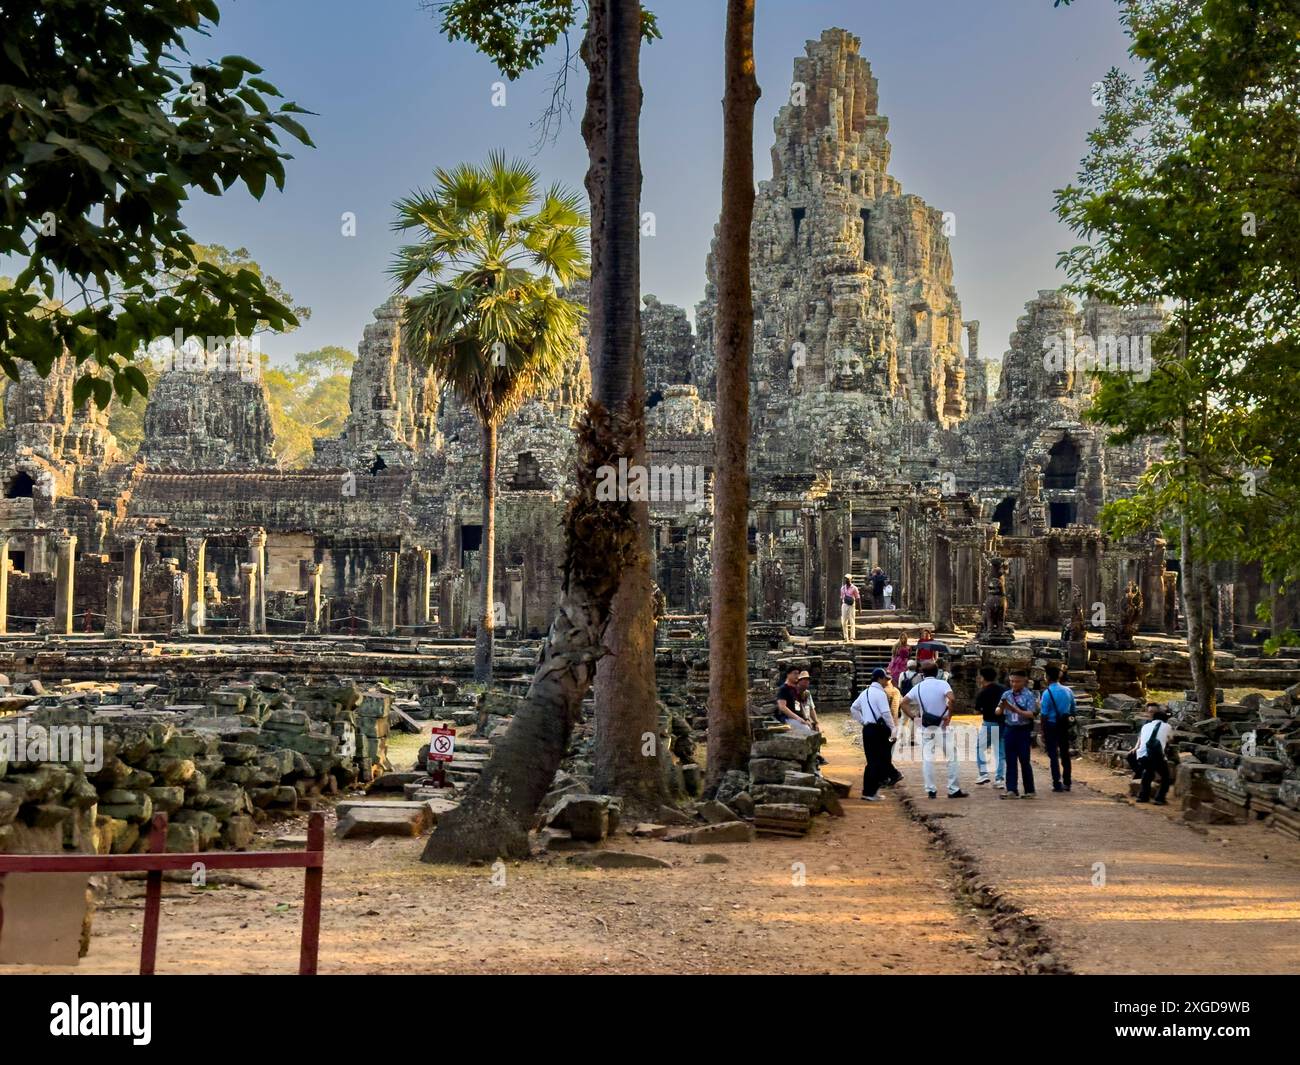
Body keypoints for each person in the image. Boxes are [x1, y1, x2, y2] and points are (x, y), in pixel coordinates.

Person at [904, 661, 968, 799]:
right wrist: (948, 716)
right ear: (937, 672)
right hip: (942, 727)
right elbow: (952, 699)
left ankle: (931, 790)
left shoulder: (918, 687)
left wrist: (914, 717)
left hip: (926, 727)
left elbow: (904, 703)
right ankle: (953, 788)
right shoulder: (942, 684)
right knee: (952, 757)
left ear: (922, 674)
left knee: (927, 759)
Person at [851, 668, 896, 802]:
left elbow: (853, 708)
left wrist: (864, 721)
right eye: (885, 678)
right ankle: (873, 789)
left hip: (868, 729)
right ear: (880, 679)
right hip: (879, 730)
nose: (887, 681)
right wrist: (893, 728)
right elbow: (886, 713)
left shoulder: (865, 693)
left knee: (872, 760)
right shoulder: (880, 694)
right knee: (879, 759)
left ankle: (870, 790)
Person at [997, 670, 1038, 798]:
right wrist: (1002, 707)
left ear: (1024, 681)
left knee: (1024, 760)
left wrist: (1016, 710)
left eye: (1017, 681)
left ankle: (1030, 790)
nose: (1014, 684)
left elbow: (1031, 714)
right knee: (1010, 760)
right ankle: (1011, 789)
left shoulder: (1029, 695)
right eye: (1012, 681)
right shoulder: (1006, 694)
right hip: (1010, 729)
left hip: (1023, 730)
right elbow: (997, 711)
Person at [1039, 663, 1077, 792]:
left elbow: (1043, 714)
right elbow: (1073, 710)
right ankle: (1067, 781)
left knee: (1053, 755)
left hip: (1051, 724)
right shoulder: (1068, 691)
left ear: (1047, 677)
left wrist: (1042, 731)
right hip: (1064, 725)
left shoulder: (1047, 693)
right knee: (1065, 754)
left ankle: (1057, 782)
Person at [1131, 704, 1173, 805]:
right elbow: (1170, 740)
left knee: (1148, 773)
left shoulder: (1146, 726)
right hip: (1156, 755)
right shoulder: (1167, 726)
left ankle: (1143, 796)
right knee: (1166, 777)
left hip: (1142, 755)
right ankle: (1160, 798)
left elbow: (1141, 740)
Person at [973, 665, 1006, 787]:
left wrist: (984, 709)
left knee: (980, 748)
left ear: (982, 678)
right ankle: (999, 779)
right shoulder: (1003, 689)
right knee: (1000, 752)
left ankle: (983, 774)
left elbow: (976, 711)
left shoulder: (983, 692)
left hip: (988, 723)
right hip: (1002, 723)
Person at [774, 667, 814, 736]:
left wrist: (806, 719)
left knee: (811, 727)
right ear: (788, 675)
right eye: (795, 673)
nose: (797, 676)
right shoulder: (783, 689)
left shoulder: (795, 689)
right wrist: (798, 718)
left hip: (796, 717)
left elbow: (800, 706)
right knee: (806, 730)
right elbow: (782, 707)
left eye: (798, 674)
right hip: (786, 718)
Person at [840, 574, 861, 642]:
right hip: (844, 605)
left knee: (852, 621)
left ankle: (852, 637)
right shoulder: (842, 588)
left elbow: (858, 598)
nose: (847, 580)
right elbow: (842, 598)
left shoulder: (854, 588)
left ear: (851, 579)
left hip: (852, 605)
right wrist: (842, 606)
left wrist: (859, 609)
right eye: (846, 579)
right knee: (844, 621)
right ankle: (846, 637)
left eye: (848, 579)